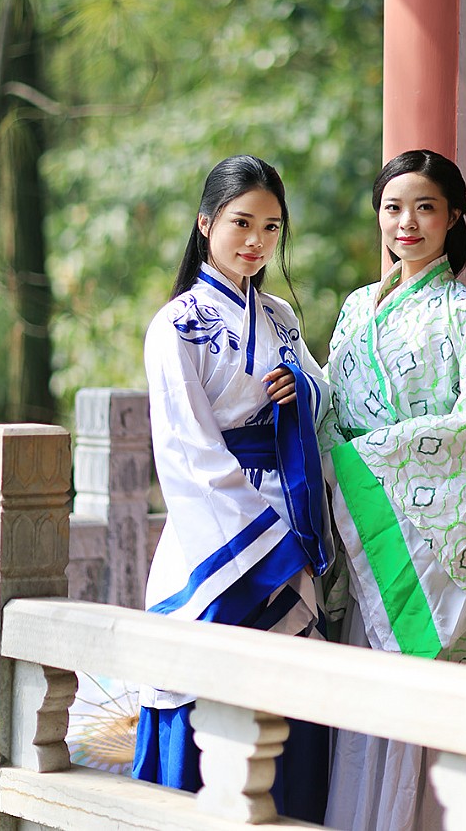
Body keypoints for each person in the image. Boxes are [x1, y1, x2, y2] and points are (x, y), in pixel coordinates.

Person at [320, 149, 466, 831]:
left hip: (421, 536)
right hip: (365, 529)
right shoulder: (356, 308)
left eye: (425, 208)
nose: (406, 222)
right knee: (364, 704)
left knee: (420, 708)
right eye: (393, 207)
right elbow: (329, 406)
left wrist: (369, 459)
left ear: (453, 216)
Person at [132, 154, 332, 824]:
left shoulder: (279, 316)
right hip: (217, 534)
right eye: (241, 222)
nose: (256, 241)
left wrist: (300, 391)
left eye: (271, 227)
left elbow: (322, 396)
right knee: (202, 680)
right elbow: (185, 449)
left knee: (288, 693)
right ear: (205, 223)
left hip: (290, 509)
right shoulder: (175, 325)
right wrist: (269, 546)